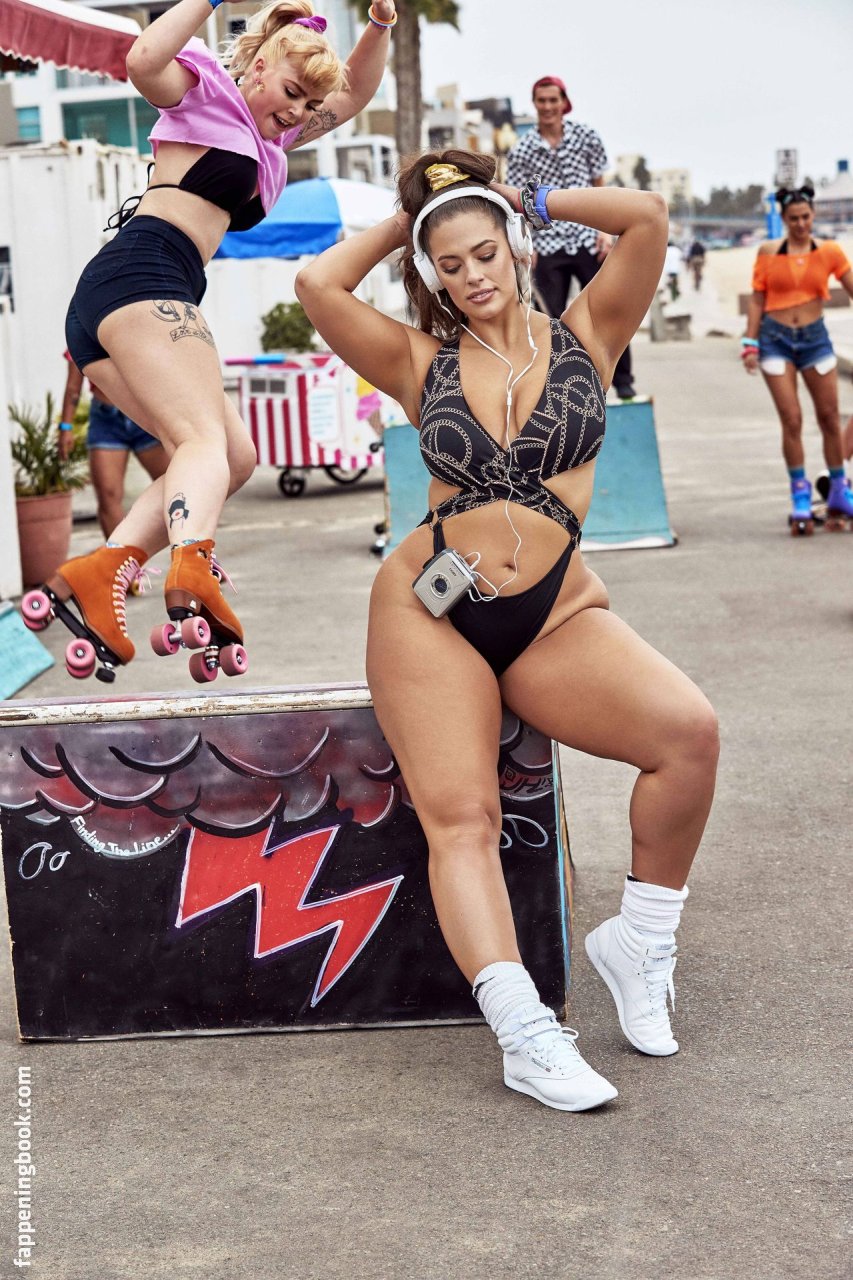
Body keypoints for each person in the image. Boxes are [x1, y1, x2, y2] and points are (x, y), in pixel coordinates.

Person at [296, 150, 719, 1112]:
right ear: (430, 272)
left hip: (552, 612)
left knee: (687, 736)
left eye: (485, 252)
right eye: (449, 265)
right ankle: (525, 1034)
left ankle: (639, 942)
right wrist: (416, 215)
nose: (473, 275)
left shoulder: (588, 333)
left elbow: (646, 217)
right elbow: (318, 285)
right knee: (462, 820)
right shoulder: (419, 361)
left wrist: (523, 195)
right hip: (429, 612)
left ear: (517, 247)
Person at [22, 0, 398, 681]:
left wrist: (379, 25)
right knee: (202, 442)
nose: (297, 110)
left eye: (306, 103)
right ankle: (191, 562)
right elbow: (142, 59)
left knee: (236, 456)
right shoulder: (202, 90)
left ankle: (104, 568)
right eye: (291, 91)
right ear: (258, 67)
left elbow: (353, 96)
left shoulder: (270, 138)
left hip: (137, 294)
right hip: (144, 274)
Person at [507, 75, 636, 400]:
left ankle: (624, 381)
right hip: (547, 241)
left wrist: (605, 232)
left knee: (610, 309)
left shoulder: (586, 136)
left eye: (553, 100)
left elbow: (600, 186)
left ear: (564, 102)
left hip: (587, 236)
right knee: (548, 318)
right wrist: (526, 245)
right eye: (542, 100)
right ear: (534, 104)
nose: (548, 106)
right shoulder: (522, 150)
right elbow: (518, 201)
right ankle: (557, 387)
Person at [742, 184, 853, 533]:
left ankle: (839, 491)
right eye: (794, 219)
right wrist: (749, 343)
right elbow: (757, 299)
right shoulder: (768, 252)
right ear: (784, 219)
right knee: (792, 420)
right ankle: (800, 496)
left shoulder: (830, 251)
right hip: (775, 341)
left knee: (829, 417)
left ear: (813, 215)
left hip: (815, 341)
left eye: (806, 217)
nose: (801, 224)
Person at [59, 350, 169, 540]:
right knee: (108, 495)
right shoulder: (80, 334)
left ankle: (190, 550)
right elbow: (73, 387)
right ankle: (122, 557)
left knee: (175, 485)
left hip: (145, 412)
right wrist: (66, 427)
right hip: (106, 420)